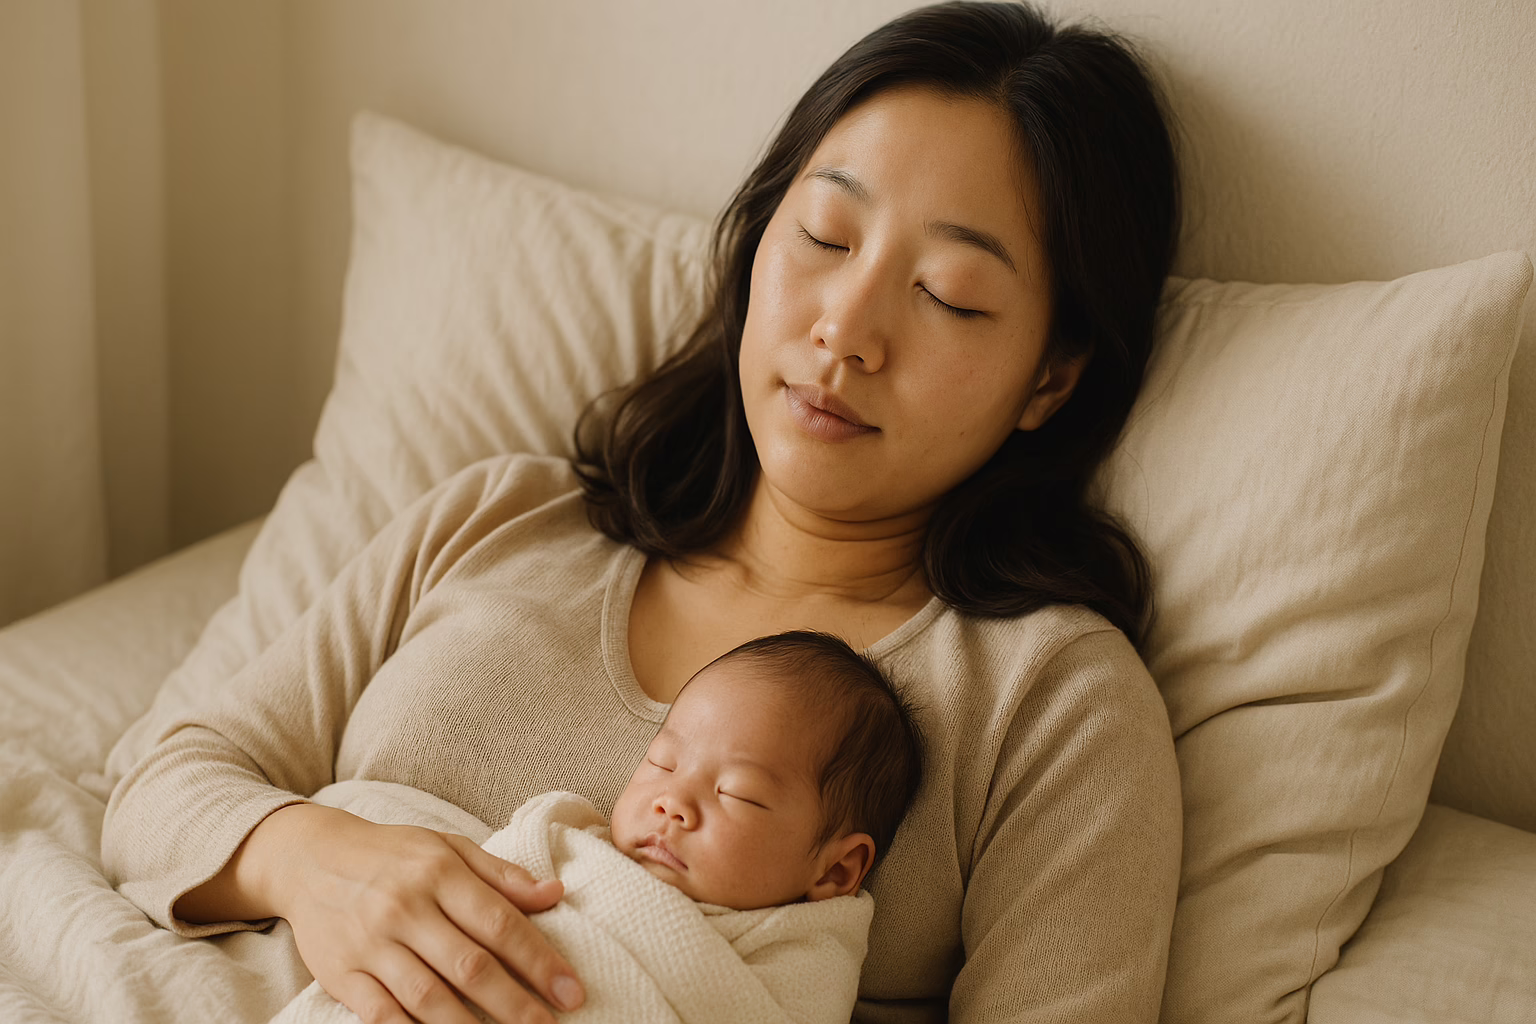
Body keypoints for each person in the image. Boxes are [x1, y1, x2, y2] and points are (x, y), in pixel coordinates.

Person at [102, 3, 1184, 1023]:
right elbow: (162, 783)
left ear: (1051, 378)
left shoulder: (1048, 701)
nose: (845, 331)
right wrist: (313, 863)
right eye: (823, 235)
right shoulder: (497, 518)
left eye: (948, 294)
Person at [273, 630, 925, 1024]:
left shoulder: (803, 958)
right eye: (662, 763)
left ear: (835, 869)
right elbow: (481, 878)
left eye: (739, 795)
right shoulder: (566, 843)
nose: (673, 802)